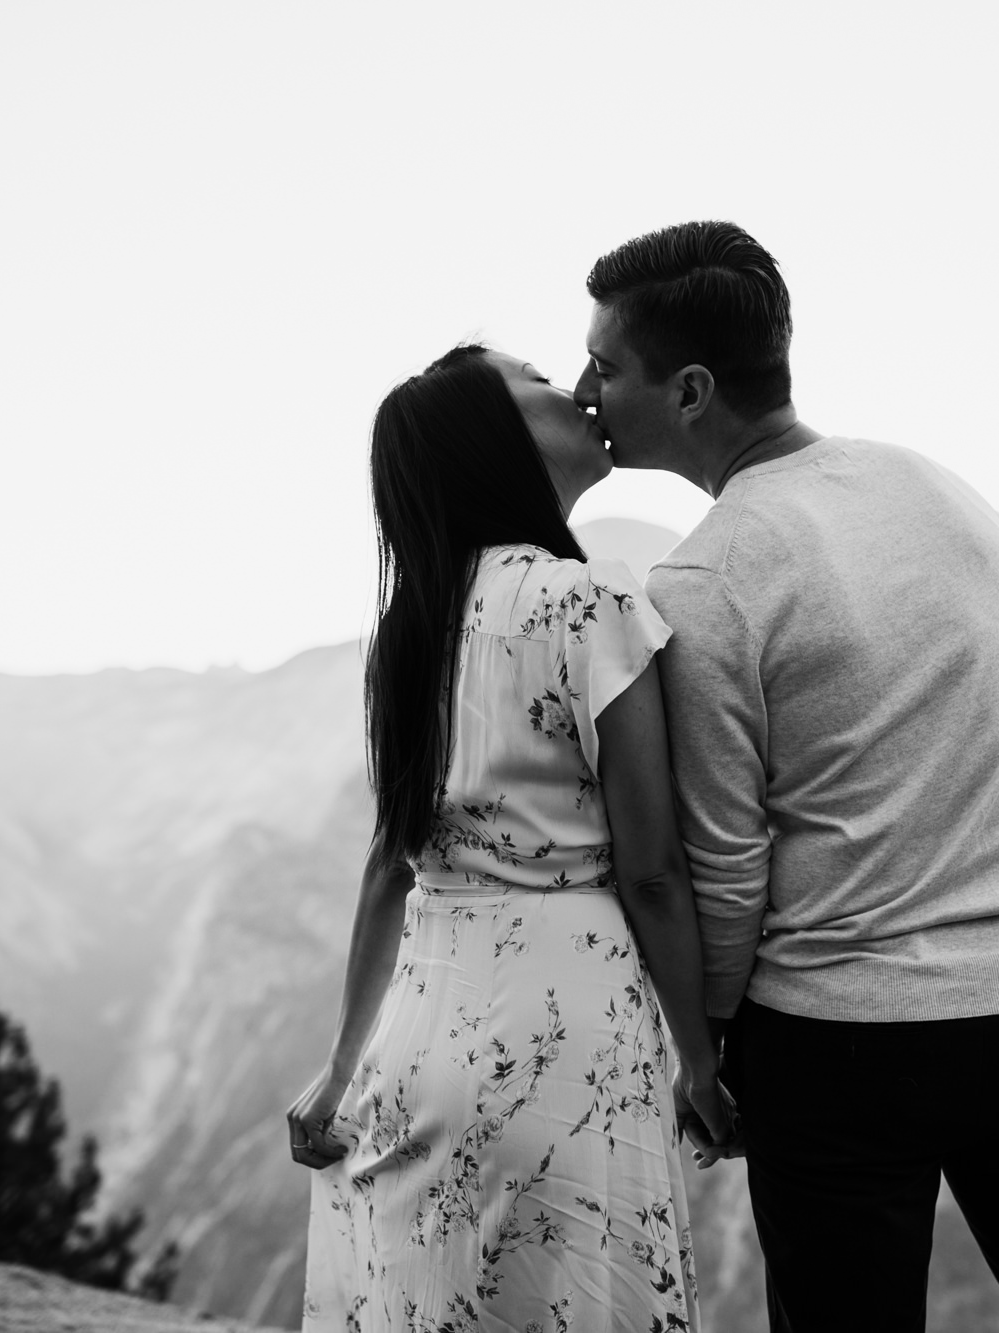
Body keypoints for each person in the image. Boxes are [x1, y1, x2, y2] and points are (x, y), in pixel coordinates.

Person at [572, 221, 999, 1333]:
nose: (583, 388)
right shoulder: (950, 494)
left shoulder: (707, 575)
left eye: (606, 365)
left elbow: (727, 861)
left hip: (834, 1043)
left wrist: (711, 1056)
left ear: (691, 389)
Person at [286, 343, 735, 1333]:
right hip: (563, 1035)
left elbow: (386, 866)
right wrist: (701, 1063)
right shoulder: (592, 603)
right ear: (498, 435)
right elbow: (654, 873)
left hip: (416, 1039)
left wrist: (339, 1064)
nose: (571, 389)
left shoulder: (409, 630)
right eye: (536, 379)